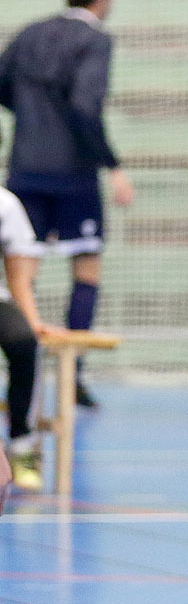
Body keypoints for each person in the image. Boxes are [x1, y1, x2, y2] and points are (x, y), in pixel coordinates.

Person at [0, 0, 135, 411]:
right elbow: (84, 105)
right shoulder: (95, 40)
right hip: (73, 172)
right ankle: (71, 376)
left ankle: (24, 369)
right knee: (86, 267)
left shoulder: (29, 34)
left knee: (23, 271)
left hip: (24, 168)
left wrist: (35, 122)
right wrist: (112, 165)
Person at [0, 185, 59, 493]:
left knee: (24, 341)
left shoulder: (5, 205)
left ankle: (22, 443)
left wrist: (32, 322)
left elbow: (17, 274)